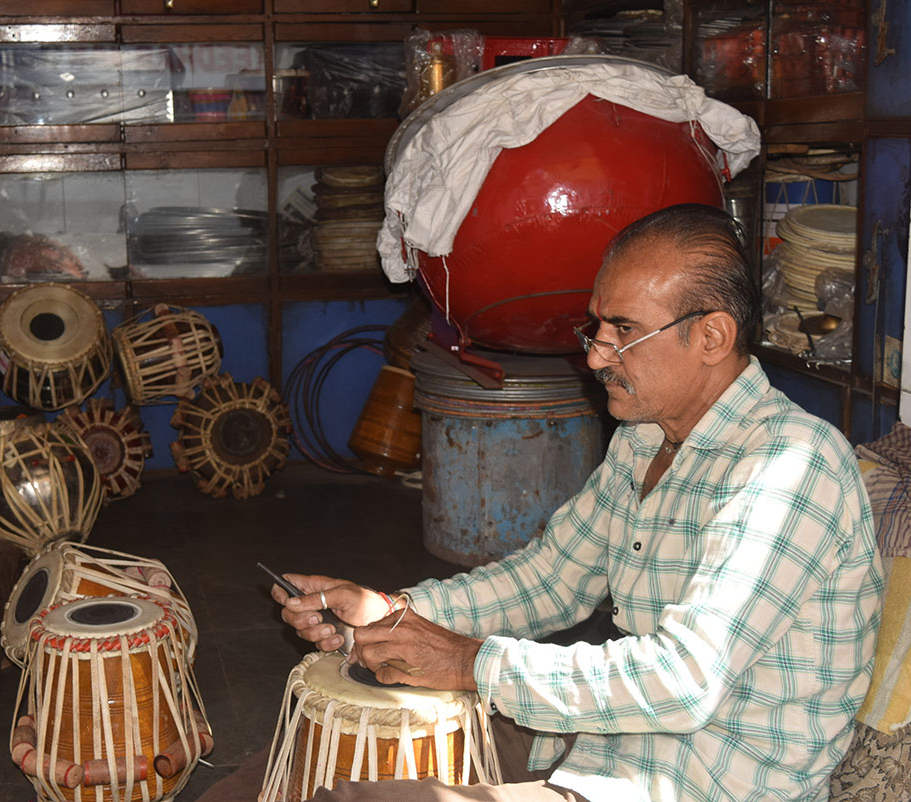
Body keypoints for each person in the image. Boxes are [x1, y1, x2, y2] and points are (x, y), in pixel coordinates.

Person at [264, 204, 885, 802]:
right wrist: (393, 614)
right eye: (597, 326)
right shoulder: (646, 439)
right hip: (598, 748)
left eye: (624, 331)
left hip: (693, 785)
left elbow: (682, 682)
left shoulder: (792, 465)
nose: (595, 355)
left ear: (712, 336)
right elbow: (551, 580)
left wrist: (469, 662)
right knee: (297, 778)